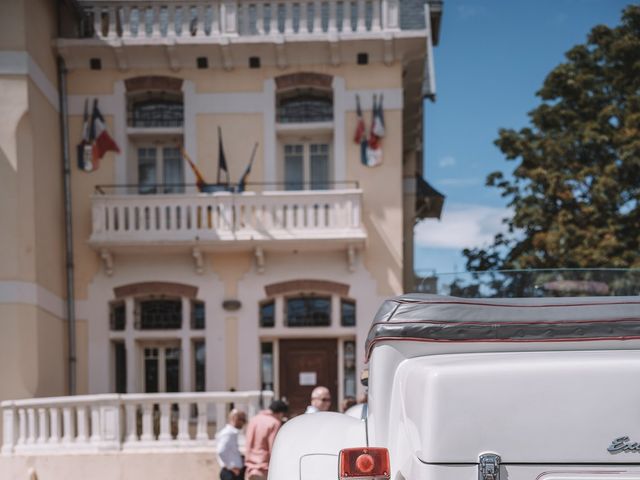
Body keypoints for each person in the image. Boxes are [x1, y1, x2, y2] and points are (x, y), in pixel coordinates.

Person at [244, 400, 288, 480]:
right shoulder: (274, 422)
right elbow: (273, 447)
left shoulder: (254, 419)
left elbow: (248, 442)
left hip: (250, 467)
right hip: (264, 467)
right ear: (281, 413)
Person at [215, 409, 247, 480]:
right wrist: (231, 468)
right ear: (235, 419)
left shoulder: (232, 433)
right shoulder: (228, 433)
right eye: (242, 420)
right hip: (231, 474)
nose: (243, 423)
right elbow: (220, 451)